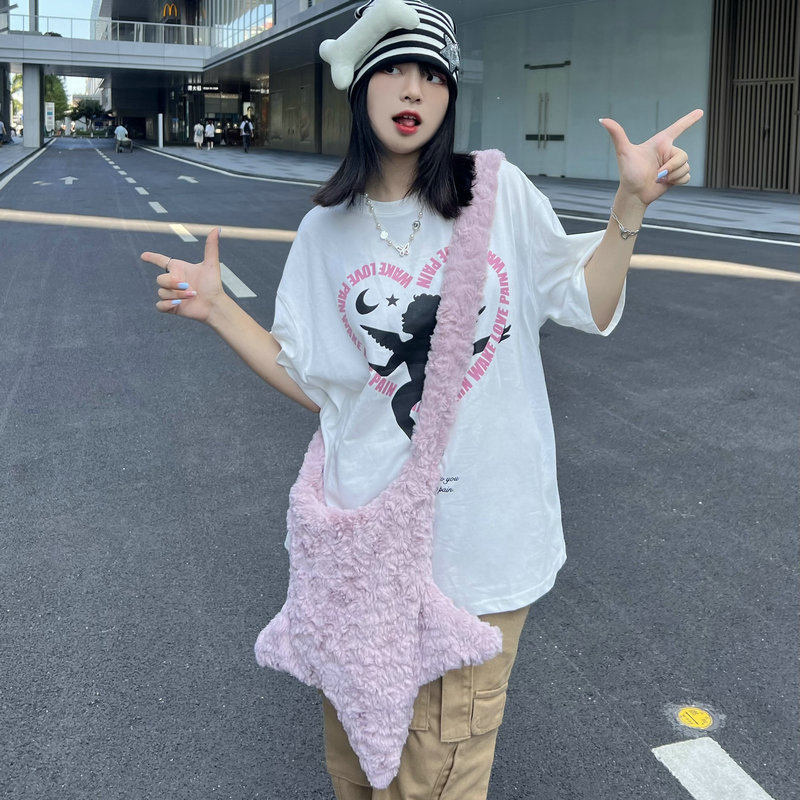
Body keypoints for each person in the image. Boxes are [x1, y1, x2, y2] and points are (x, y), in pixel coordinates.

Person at [141, 1, 701, 796]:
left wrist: (629, 208)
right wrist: (218, 309)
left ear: (449, 96)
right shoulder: (326, 232)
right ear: (361, 88)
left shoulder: (497, 194)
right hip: (362, 552)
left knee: (433, 777)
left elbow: (589, 300)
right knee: (357, 773)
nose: (414, 89)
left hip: (478, 554)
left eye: (433, 75)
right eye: (395, 70)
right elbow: (321, 387)